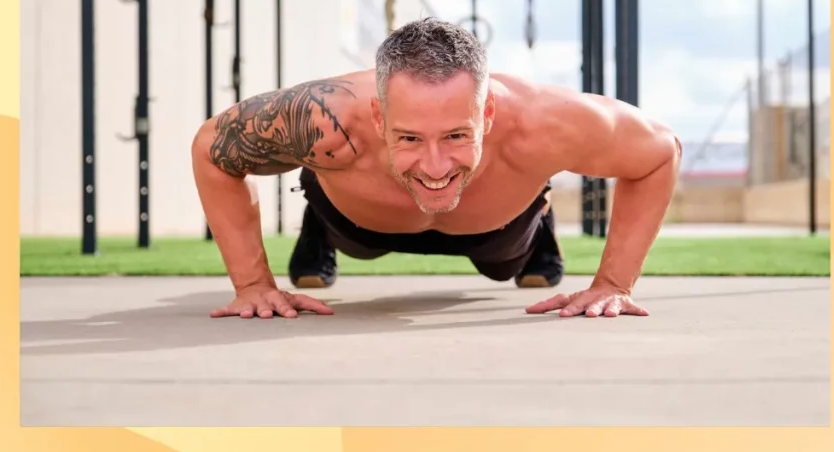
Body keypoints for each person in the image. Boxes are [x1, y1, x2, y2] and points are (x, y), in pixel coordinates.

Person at [191, 18, 681, 320]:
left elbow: (659, 151)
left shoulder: (545, 123)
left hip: (496, 227)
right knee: (351, 238)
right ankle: (317, 226)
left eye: (456, 135)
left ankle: (540, 220)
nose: (434, 166)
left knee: (505, 263)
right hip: (357, 222)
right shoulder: (325, 119)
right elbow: (212, 147)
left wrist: (613, 285)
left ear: (486, 114)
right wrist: (253, 285)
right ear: (379, 117)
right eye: (408, 137)